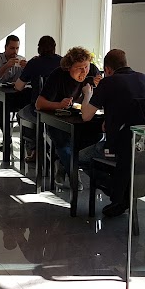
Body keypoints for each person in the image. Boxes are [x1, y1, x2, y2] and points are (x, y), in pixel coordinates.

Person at [79, 49, 145, 217]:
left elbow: (86, 116)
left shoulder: (108, 82)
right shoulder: (144, 78)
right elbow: (142, 109)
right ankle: (123, 187)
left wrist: (87, 94)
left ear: (108, 69)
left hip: (117, 147)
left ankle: (118, 191)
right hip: (142, 146)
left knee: (80, 157)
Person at [36, 47, 101, 186]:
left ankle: (62, 163)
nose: (84, 71)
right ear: (68, 68)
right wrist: (58, 104)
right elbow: (39, 104)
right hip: (57, 120)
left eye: (86, 66)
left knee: (97, 136)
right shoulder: (58, 76)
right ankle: (73, 176)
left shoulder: (92, 71)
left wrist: (100, 86)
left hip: (79, 119)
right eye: (79, 68)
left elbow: (98, 98)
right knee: (64, 142)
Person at [14, 35, 62, 162]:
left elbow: (18, 87)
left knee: (20, 115)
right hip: (61, 108)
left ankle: (35, 149)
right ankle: (54, 150)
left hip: (39, 109)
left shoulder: (34, 63)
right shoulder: (62, 62)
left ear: (39, 48)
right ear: (54, 48)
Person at [0, 34, 27, 150]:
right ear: (5, 47)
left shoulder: (21, 60)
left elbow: (27, 80)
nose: (15, 52)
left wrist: (27, 68)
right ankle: (7, 138)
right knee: (2, 106)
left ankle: (28, 140)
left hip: (14, 96)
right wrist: (6, 66)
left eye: (17, 48)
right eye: (12, 48)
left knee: (27, 103)